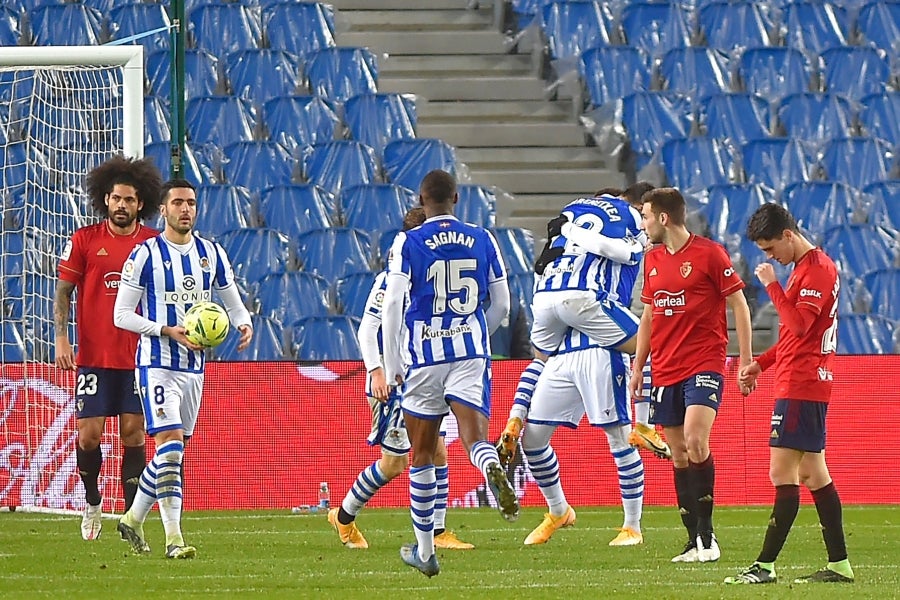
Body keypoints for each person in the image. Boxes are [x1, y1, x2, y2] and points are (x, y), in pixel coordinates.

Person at [381, 169, 517, 577]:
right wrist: (474, 333)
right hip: (470, 353)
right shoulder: (483, 238)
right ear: (457, 199)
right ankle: (490, 464)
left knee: (422, 454)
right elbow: (503, 306)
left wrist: (392, 364)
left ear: (422, 202)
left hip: (424, 358)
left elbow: (391, 305)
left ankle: (425, 552)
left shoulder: (408, 240)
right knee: (475, 438)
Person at [112, 179, 253, 559]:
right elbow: (121, 315)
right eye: (178, 203)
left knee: (171, 454)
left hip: (194, 369)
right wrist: (166, 331)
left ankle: (133, 518)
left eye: (191, 203)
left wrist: (244, 322)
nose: (185, 209)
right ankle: (174, 539)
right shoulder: (145, 255)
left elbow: (232, 300)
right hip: (156, 363)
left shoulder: (212, 253)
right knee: (171, 448)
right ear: (163, 209)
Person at [328, 207, 474, 551]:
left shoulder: (431, 280)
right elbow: (368, 329)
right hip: (391, 387)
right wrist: (376, 370)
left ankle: (438, 532)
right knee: (394, 464)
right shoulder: (390, 280)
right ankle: (344, 517)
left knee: (438, 451)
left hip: (423, 379)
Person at [725, 203, 853, 585]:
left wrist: (771, 286)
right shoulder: (806, 269)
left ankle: (764, 566)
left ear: (788, 235)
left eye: (769, 249)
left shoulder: (816, 269)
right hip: (802, 379)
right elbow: (797, 337)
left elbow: (798, 326)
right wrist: (762, 363)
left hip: (804, 383)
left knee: (782, 472)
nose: (769, 258)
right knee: (815, 474)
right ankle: (839, 565)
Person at [627, 187, 753, 564]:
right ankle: (693, 541)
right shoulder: (651, 261)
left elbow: (739, 304)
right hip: (665, 368)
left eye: (647, 216)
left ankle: (708, 536)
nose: (644, 223)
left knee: (697, 441)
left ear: (663, 218)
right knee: (678, 453)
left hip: (704, 362)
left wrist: (745, 359)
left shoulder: (710, 254)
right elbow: (649, 316)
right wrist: (638, 365)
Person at [498, 185, 651, 466]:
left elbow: (541, 263)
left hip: (546, 301)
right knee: (650, 345)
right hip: (588, 312)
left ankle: (515, 416)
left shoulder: (570, 216)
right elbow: (615, 250)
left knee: (539, 360)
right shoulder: (626, 219)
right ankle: (644, 425)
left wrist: (567, 229)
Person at [54, 155, 163, 540]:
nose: (122, 205)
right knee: (89, 435)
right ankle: (92, 501)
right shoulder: (85, 240)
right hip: (94, 357)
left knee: (133, 434)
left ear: (141, 204)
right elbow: (64, 291)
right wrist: (62, 337)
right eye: (116, 198)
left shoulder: (153, 244)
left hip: (138, 356)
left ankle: (132, 519)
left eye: (129, 200)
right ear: (105, 199)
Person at [518, 330, 646, 547]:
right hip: (561, 353)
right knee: (532, 441)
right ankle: (558, 509)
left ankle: (632, 527)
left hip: (602, 348)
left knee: (621, 440)